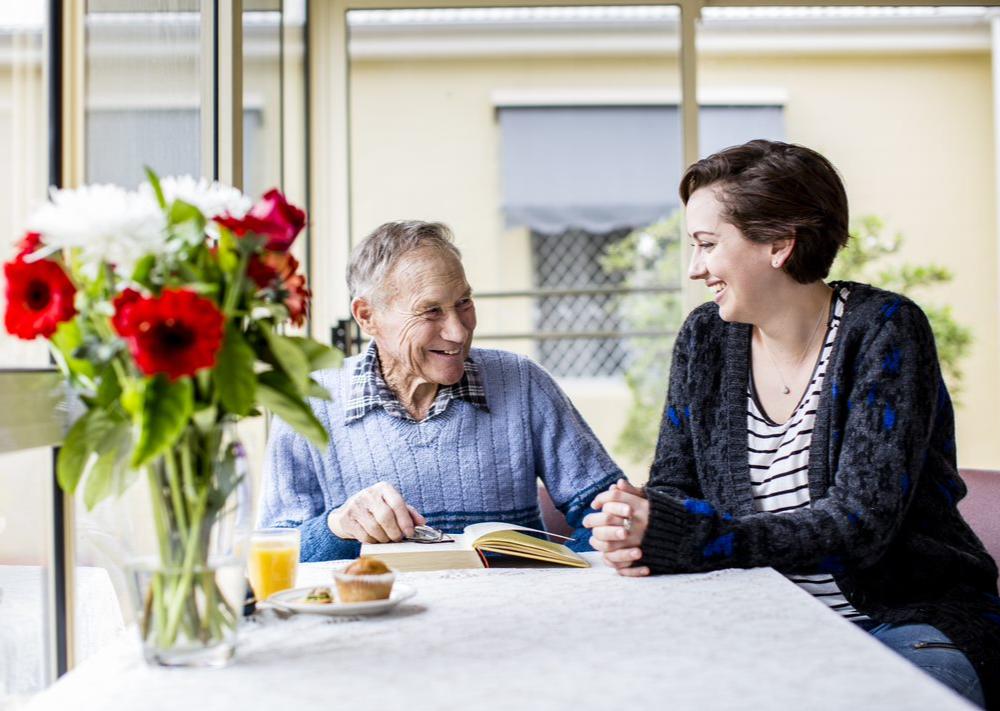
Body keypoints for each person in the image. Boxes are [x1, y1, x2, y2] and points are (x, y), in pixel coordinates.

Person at [584, 140, 999, 708]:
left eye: (707, 244)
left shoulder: (886, 330)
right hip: (764, 620)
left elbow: (861, 523)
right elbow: (675, 491)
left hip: (906, 620)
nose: (695, 268)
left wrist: (692, 536)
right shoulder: (705, 339)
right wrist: (640, 527)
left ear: (780, 243)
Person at [259, 219, 622, 561]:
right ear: (366, 316)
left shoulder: (523, 381)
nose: (458, 332)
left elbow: (607, 508)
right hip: (378, 620)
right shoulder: (309, 402)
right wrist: (336, 528)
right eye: (431, 311)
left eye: (463, 303)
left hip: (511, 615)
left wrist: (578, 568)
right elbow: (273, 553)